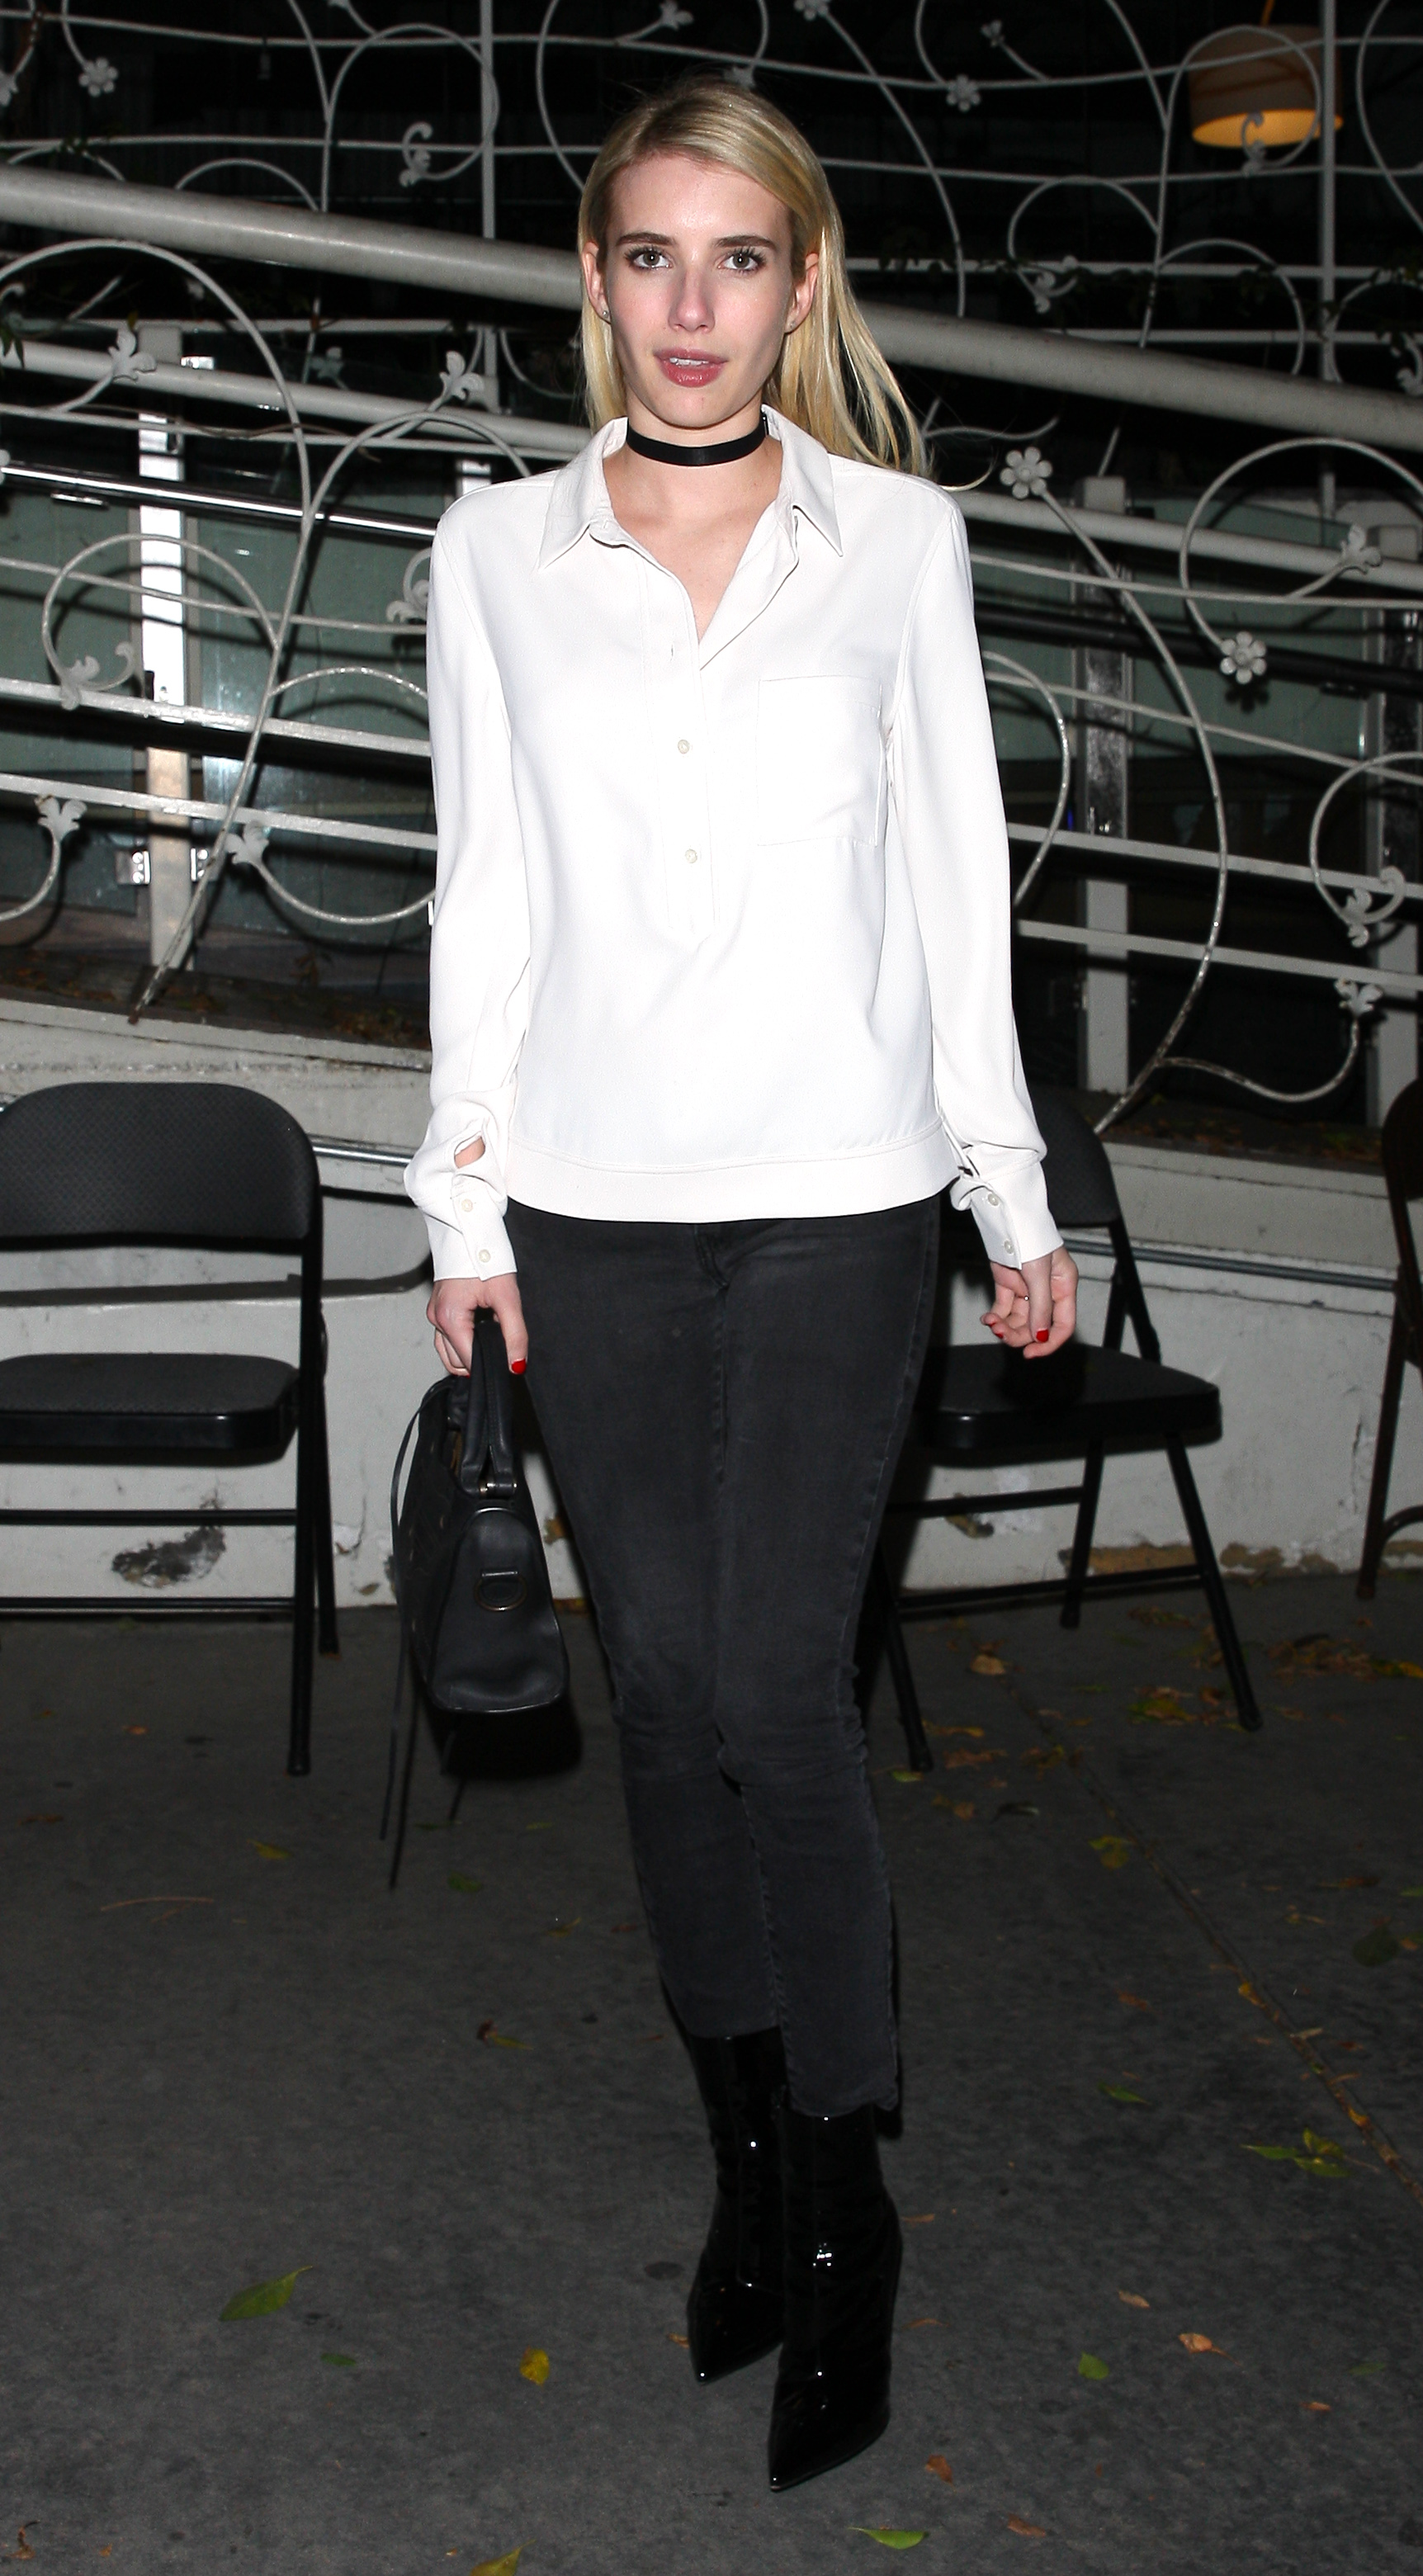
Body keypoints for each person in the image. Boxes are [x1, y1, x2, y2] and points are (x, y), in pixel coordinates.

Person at [405, 77, 1078, 2491]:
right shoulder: (494, 548)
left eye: (741, 258)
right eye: (649, 255)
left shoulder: (897, 542)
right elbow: (487, 886)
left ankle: (848, 2207)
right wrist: (465, 1205)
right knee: (666, 1693)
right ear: (594, 279)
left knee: (779, 1700)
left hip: (837, 1195)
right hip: (591, 1200)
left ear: (804, 287)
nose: (693, 306)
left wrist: (1006, 1189)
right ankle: (747, 2163)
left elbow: (954, 878)